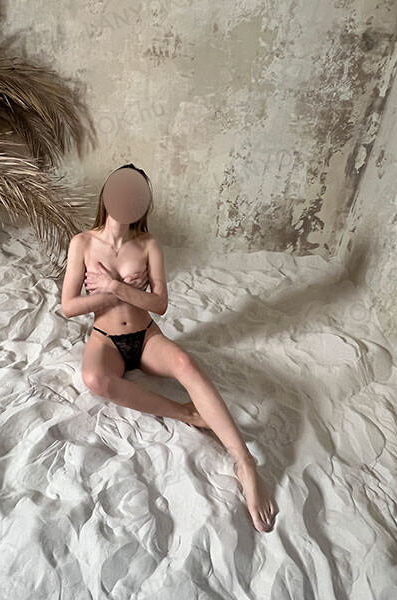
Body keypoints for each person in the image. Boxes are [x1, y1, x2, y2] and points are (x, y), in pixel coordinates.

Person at [61, 163, 278, 533]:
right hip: (106, 340)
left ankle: (244, 462)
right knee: (95, 379)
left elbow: (159, 304)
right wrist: (114, 294)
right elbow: (69, 306)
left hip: (145, 336)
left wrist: (116, 287)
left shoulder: (148, 245)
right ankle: (186, 413)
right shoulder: (82, 243)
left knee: (185, 362)